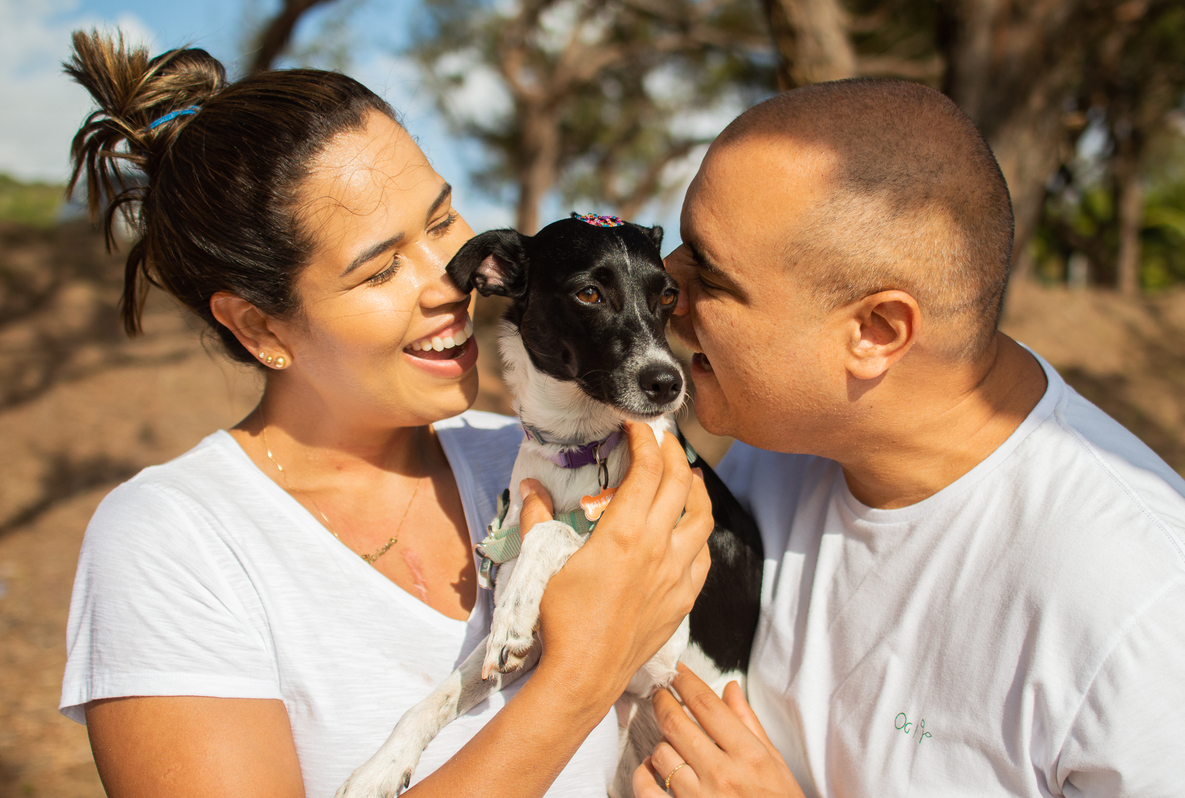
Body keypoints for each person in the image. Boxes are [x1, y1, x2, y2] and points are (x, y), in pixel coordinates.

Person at [58, 31, 713, 798]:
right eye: (379, 268)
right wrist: (578, 678)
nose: (448, 280)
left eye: (441, 221)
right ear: (260, 327)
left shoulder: (550, 458)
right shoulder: (176, 544)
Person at [632, 78, 1185, 797]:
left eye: (708, 272)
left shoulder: (1146, 610)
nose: (664, 285)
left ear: (875, 333)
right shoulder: (774, 448)